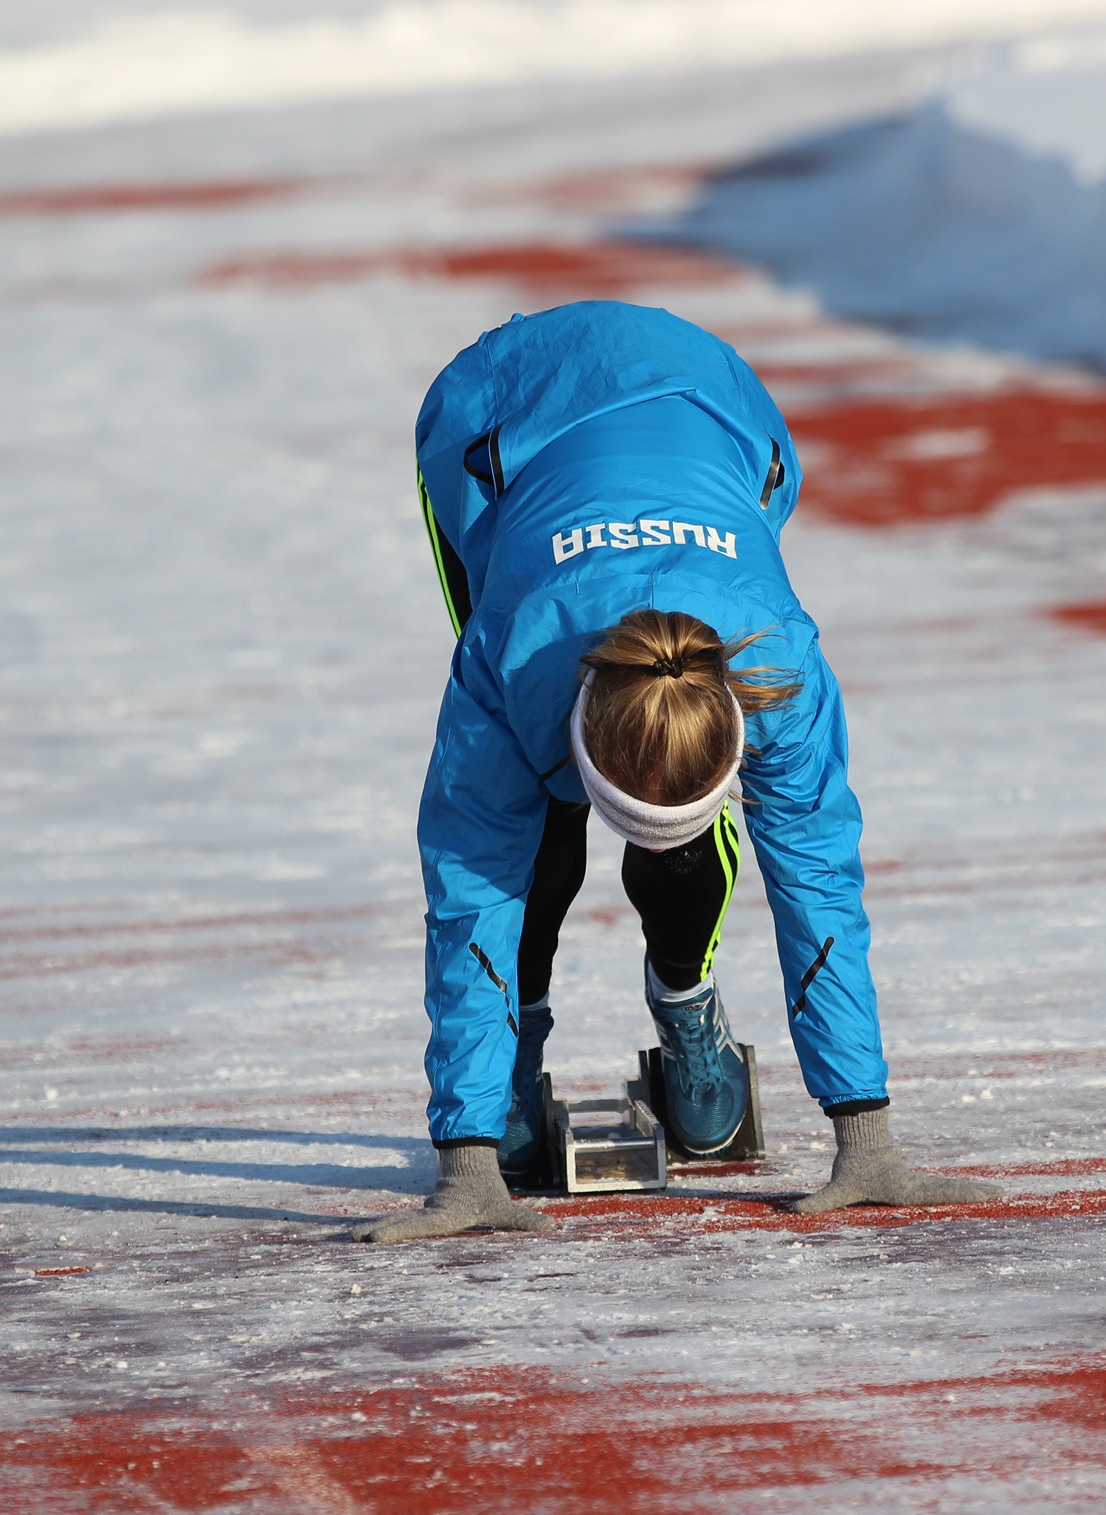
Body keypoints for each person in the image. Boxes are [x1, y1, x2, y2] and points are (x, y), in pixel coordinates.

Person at [352, 302, 1001, 1243]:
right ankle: (513, 1064)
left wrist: (865, 1132)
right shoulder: (508, 660)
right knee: (522, 830)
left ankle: (686, 1003)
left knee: (672, 847)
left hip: (715, 402)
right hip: (499, 424)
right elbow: (469, 882)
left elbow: (817, 873)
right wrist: (467, 1154)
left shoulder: (781, 668)